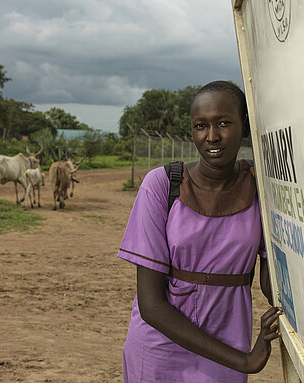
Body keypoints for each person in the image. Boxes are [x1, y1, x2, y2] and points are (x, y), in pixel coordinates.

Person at [117, 80, 281, 382]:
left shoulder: (262, 189)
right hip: (159, 349)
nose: (212, 137)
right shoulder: (162, 185)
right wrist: (244, 361)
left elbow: (275, 286)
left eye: (223, 123)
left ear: (244, 126)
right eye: (200, 126)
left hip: (228, 344)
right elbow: (151, 305)